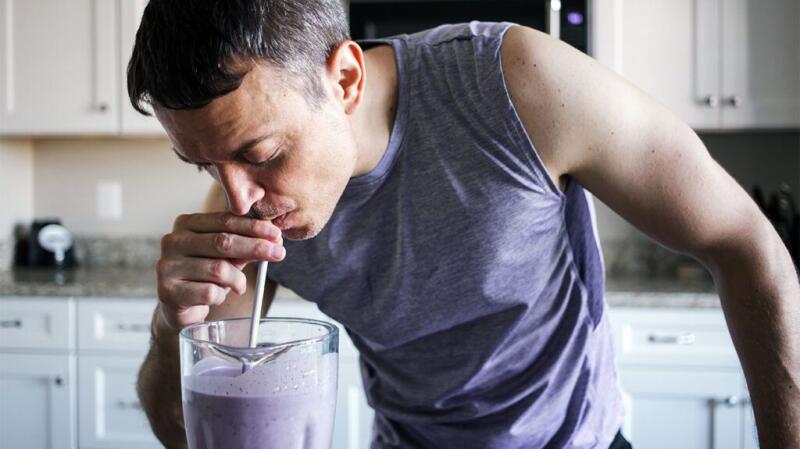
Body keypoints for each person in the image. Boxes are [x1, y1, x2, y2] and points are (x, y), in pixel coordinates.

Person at [128, 1, 800, 448]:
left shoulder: (516, 84)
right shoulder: (245, 210)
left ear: (345, 79)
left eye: (263, 154)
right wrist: (172, 328)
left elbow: (743, 243)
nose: (237, 196)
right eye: (204, 165)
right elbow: (190, 430)